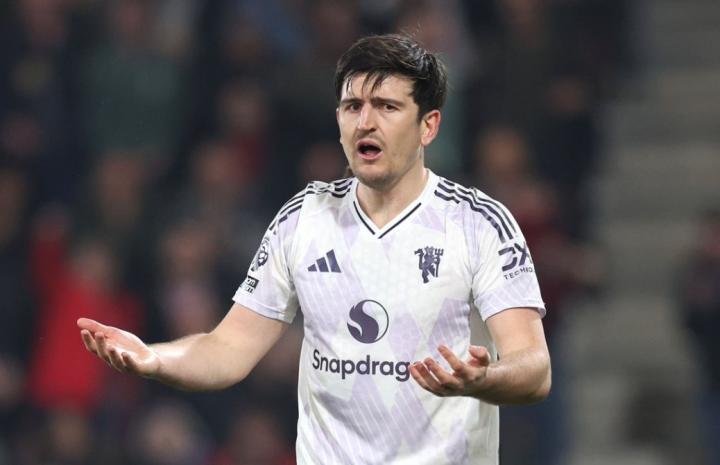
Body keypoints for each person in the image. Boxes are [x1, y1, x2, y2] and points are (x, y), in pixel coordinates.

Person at [78, 34, 551, 465]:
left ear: (428, 126)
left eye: (386, 107)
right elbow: (227, 350)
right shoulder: (303, 219)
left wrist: (483, 380)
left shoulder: (477, 224)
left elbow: (534, 368)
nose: (365, 122)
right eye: (352, 106)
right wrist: (155, 359)